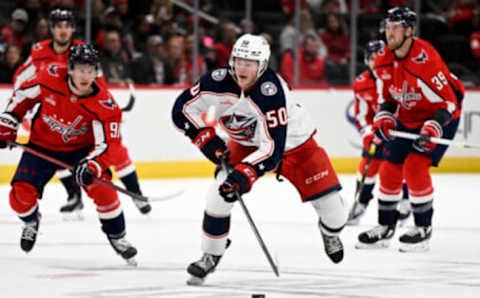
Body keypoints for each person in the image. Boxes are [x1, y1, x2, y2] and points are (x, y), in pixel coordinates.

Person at [172, 34, 348, 285]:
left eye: (250, 63)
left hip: (297, 146)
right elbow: (182, 110)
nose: (243, 68)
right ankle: (211, 253)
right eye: (239, 60)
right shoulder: (216, 81)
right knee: (218, 194)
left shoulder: (270, 92)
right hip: (246, 145)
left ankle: (329, 232)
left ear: (262, 65)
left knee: (335, 216)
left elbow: (273, 150)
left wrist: (245, 174)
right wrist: (204, 139)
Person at [0, 44, 138, 264]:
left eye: (91, 70)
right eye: (81, 69)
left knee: (103, 189)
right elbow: (21, 98)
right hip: (40, 146)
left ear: (96, 72)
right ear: (70, 69)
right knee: (19, 196)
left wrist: (93, 165)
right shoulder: (48, 76)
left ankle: (118, 237)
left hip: (80, 152)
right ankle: (31, 220)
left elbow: (109, 145)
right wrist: (8, 122)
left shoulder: (106, 105)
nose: (86, 75)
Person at [13, 9, 151, 216]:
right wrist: (20, 105)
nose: (62, 30)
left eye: (67, 26)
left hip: (85, 113)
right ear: (51, 28)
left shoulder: (84, 52)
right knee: (53, 149)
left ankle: (135, 193)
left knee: (115, 150)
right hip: (53, 108)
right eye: (58, 25)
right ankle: (74, 195)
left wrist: (103, 109)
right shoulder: (38, 51)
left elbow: (100, 85)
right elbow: (21, 78)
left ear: (73, 29)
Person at [356, 7, 465, 252]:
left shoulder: (425, 58)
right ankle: (385, 228)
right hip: (409, 114)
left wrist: (434, 125)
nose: (389, 32)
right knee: (390, 168)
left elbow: (450, 100)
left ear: (408, 30)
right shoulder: (383, 57)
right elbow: (388, 99)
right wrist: (384, 119)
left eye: (396, 27)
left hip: (442, 115)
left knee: (414, 167)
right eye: (388, 27)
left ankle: (423, 230)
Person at [347, 39, 411, 225]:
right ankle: (361, 203)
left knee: (403, 167)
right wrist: (368, 134)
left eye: (379, 58)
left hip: (400, 132)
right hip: (378, 132)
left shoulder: (400, 77)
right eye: (372, 58)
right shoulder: (361, 83)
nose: (376, 62)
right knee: (368, 166)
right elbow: (362, 115)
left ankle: (406, 202)